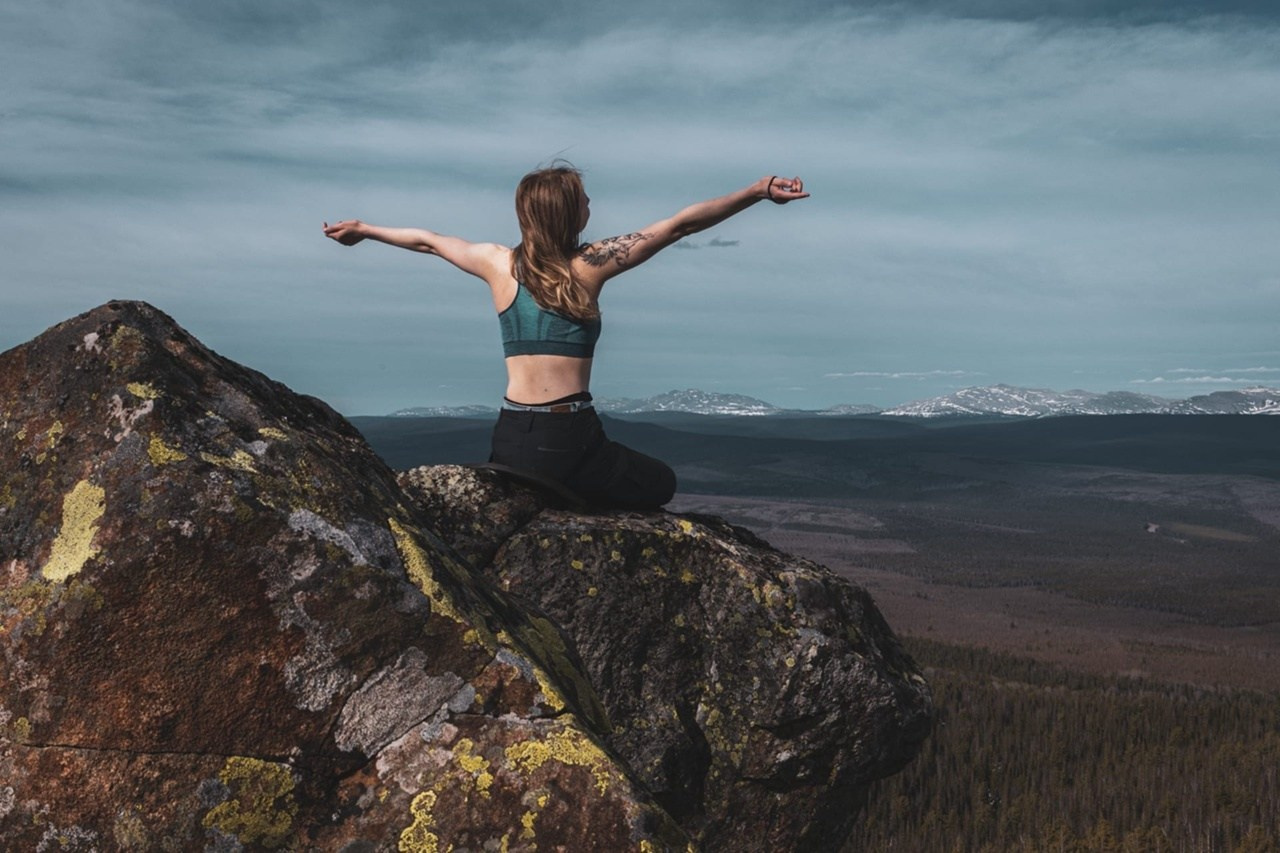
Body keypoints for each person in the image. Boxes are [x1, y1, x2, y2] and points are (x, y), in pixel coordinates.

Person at [323, 164, 808, 509]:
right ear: (567, 213)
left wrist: (364, 229)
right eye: (584, 200)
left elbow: (427, 240)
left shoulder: (496, 263)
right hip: (569, 436)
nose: (591, 205)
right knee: (661, 483)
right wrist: (757, 191)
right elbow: (680, 226)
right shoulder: (589, 266)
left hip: (510, 436)